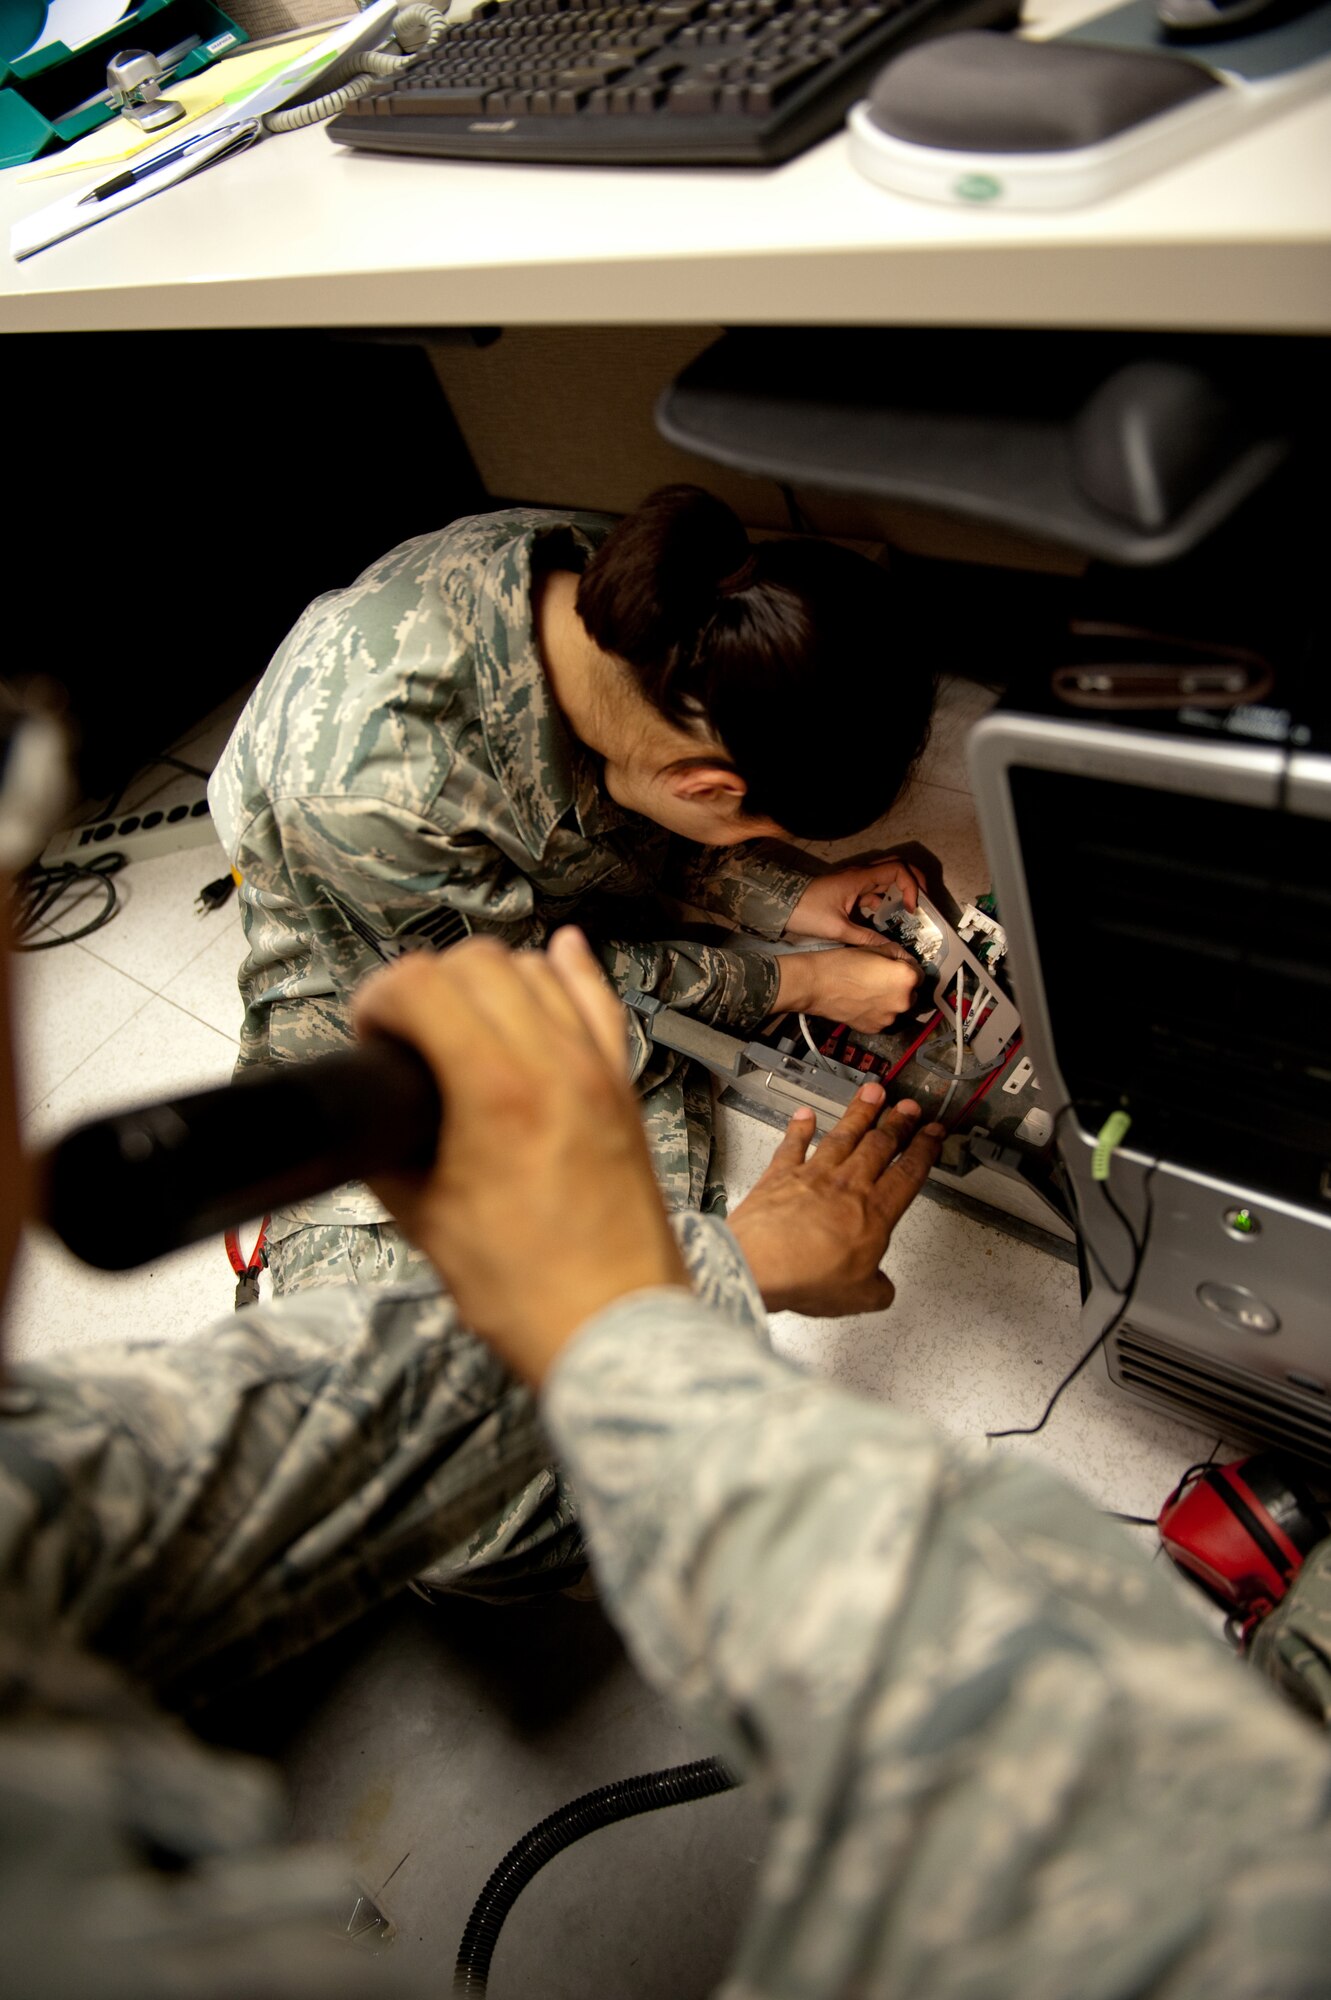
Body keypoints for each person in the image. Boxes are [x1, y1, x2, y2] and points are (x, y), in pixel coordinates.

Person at [208, 484, 935, 1296]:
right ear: (705, 786)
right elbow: (524, 1006)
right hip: (377, 955)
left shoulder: (649, 587)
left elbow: (629, 788)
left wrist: (793, 895)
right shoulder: (373, 794)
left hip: (466, 880)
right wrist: (797, 982)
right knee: (510, 1288)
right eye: (744, 821)